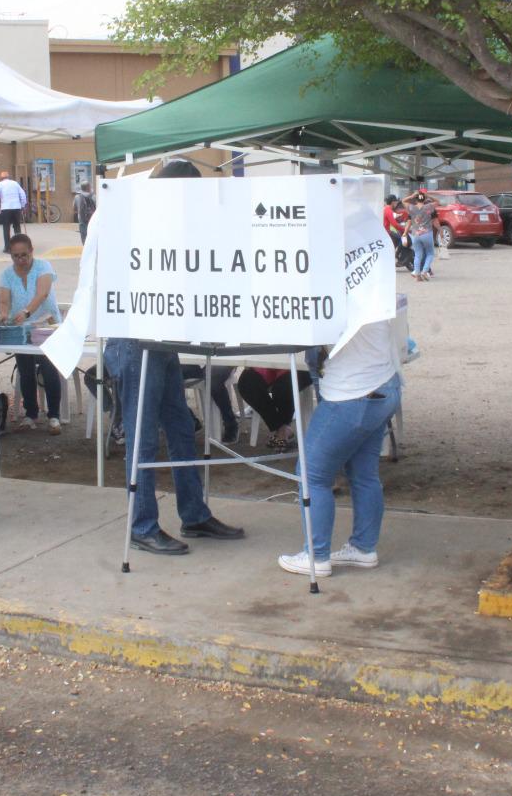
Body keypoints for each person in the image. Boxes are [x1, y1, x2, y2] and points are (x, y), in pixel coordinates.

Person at [108, 157, 245, 556]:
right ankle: (142, 524)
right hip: (135, 341)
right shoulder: (139, 221)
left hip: (161, 340)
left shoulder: (166, 221)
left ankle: (194, 513)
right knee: (143, 438)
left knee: (182, 429)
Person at [278, 319, 402, 577]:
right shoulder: (370, 282)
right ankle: (363, 548)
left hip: (349, 393)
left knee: (311, 474)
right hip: (383, 382)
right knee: (364, 473)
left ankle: (316, 556)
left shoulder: (333, 285)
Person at [0, 233, 63, 433]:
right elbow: (4, 301)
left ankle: (54, 416)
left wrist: (26, 311)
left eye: (24, 255)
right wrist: (4, 314)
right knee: (25, 370)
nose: (20, 260)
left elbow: (43, 293)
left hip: (47, 329)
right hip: (22, 331)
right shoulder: (6, 274)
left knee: (50, 370)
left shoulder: (44, 266)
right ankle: (30, 414)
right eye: (15, 256)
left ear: (32, 252)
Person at [236, 366, 314, 451]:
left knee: (282, 388)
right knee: (247, 383)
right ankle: (281, 428)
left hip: (301, 363)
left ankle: (283, 431)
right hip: (270, 359)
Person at [0, 170, 28, 251]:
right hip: (16, 208)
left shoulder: (1, 184)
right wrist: (23, 205)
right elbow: (23, 194)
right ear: (8, 177)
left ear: (1, 178)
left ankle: (7, 247)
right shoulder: (15, 183)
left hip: (6, 209)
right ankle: (19, 246)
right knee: (17, 227)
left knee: (6, 228)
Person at [406, 191, 438, 281]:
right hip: (427, 233)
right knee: (430, 253)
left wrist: (412, 196)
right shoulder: (429, 207)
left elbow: (403, 201)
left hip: (415, 234)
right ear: (424, 199)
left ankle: (417, 275)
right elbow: (437, 201)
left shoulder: (412, 208)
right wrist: (429, 196)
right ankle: (424, 271)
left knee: (417, 255)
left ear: (416, 199)